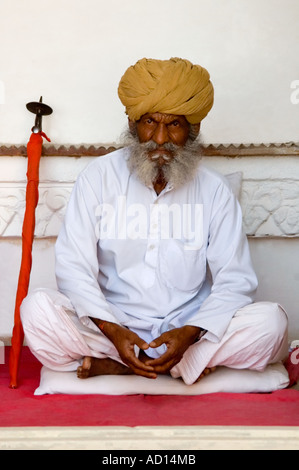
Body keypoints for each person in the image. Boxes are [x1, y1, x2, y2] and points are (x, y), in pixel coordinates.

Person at [21, 58, 289, 387]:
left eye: (174, 125)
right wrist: (112, 328)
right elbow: (73, 268)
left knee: (272, 323)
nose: (159, 138)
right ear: (133, 124)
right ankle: (174, 365)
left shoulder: (214, 190)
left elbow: (235, 281)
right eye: (150, 122)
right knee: (37, 311)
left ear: (192, 130)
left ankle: (130, 365)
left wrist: (191, 332)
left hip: (188, 326)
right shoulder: (99, 178)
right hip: (113, 324)